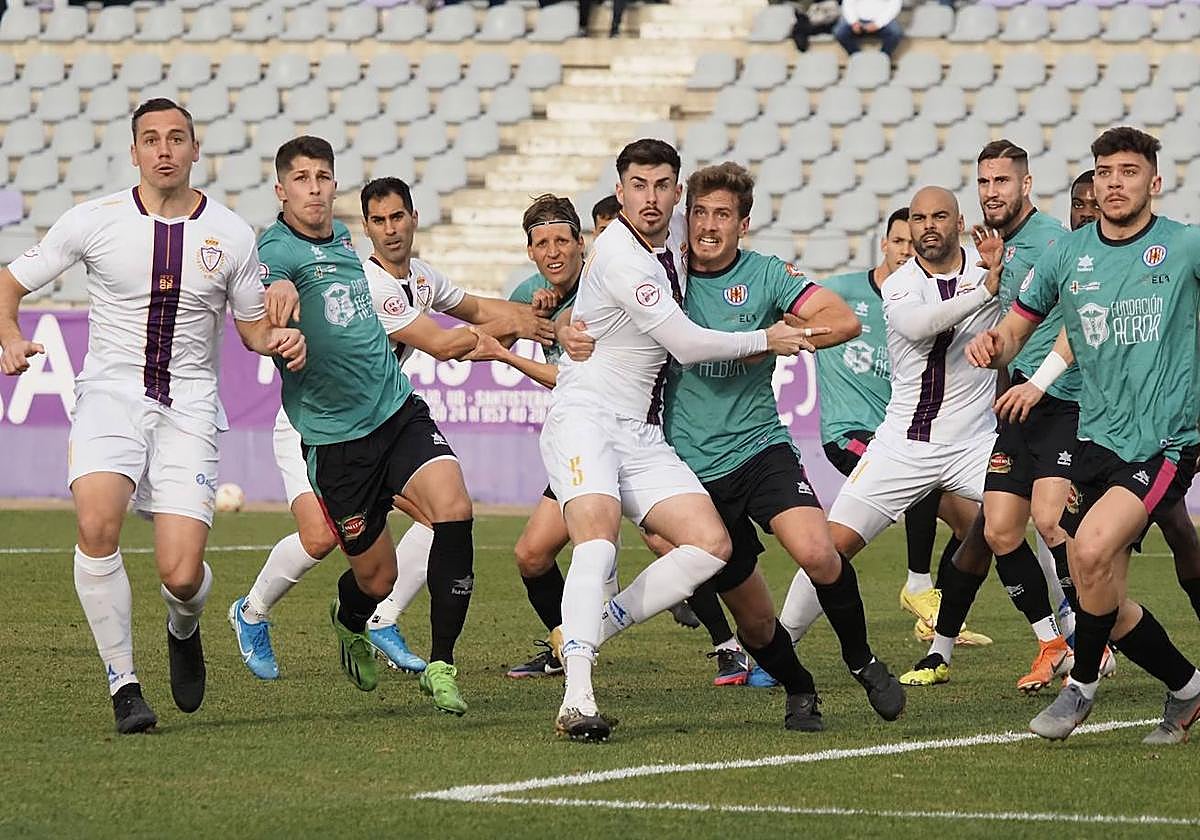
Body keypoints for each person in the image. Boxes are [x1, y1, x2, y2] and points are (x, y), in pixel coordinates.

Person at [0, 98, 306, 734]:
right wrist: (7, 333)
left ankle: (183, 625)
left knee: (182, 573)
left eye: (176, 139)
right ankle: (124, 684)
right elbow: (10, 281)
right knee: (96, 524)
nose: (164, 149)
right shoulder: (95, 220)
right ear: (133, 151)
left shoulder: (232, 234)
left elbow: (252, 331)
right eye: (150, 139)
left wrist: (282, 339)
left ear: (196, 151)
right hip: (109, 396)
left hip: (190, 407)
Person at [540, 139, 852, 742]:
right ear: (620, 189)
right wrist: (768, 339)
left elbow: (583, 299)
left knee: (712, 546)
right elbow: (684, 343)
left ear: (677, 194)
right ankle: (577, 697)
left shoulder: (676, 241)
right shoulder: (623, 254)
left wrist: (561, 317)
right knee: (598, 544)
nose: (651, 197)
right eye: (638, 185)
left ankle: (597, 622)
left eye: (662, 186)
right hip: (584, 414)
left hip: (640, 430)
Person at [230, 176, 552, 686]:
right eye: (378, 221)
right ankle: (250, 612)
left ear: (414, 217)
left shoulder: (419, 277)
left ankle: (380, 618)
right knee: (319, 538)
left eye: (397, 216)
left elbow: (474, 308)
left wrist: (531, 311)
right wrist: (521, 327)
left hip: (378, 421)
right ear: (367, 229)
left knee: (443, 518)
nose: (390, 229)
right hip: (314, 429)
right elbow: (446, 344)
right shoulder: (370, 285)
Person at [626, 161, 906, 725]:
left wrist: (783, 338)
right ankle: (800, 687)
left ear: (743, 224)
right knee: (754, 622)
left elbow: (843, 320)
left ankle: (862, 659)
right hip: (690, 471)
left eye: (722, 215)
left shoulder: (766, 274)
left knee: (817, 551)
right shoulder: (661, 277)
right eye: (700, 213)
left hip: (760, 448)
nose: (708, 225)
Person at [970, 127, 1200, 744]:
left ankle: (1082, 687)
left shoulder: (1184, 247)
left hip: (1167, 440)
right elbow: (1020, 325)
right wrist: (997, 344)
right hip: (1096, 435)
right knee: (1097, 581)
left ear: (1154, 182)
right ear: (1093, 184)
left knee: (1092, 549)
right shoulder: (1068, 256)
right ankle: (1186, 687)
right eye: (1104, 172)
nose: (1115, 182)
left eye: (1128, 171)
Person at [255, 138, 481, 717]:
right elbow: (273, 284)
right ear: (281, 190)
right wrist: (280, 304)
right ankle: (350, 619)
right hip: (336, 443)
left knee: (454, 508)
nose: (313, 187)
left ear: (334, 186)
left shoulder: (342, 241)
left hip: (394, 410)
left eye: (323, 176)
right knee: (375, 577)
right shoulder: (275, 248)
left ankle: (443, 664)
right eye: (301, 178)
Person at [778, 187, 1003, 666]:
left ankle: (1069, 637)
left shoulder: (992, 267)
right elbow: (920, 325)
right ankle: (780, 648)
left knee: (1016, 525)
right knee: (831, 545)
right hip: (904, 444)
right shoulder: (902, 284)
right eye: (918, 218)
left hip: (974, 442)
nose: (927, 226)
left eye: (938, 216)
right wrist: (984, 290)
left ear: (958, 222)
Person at [834, 0, 903, 58]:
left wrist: (878, 24)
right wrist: (854, 22)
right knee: (840, 32)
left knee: (896, 32)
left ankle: (882, 59)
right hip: (858, 20)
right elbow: (847, 4)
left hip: (882, 20)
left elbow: (894, 7)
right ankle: (857, 57)